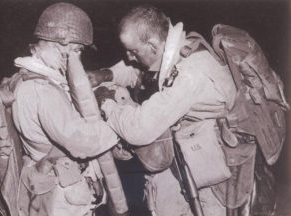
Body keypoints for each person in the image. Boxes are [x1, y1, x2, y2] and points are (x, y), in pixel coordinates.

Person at [89, 4, 260, 216]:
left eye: (133, 51)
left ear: (152, 45)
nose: (128, 57)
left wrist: (106, 102)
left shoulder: (190, 73)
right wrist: (107, 75)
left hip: (218, 167)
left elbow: (138, 129)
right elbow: (140, 72)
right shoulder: (177, 48)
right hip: (197, 147)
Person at [11, 3, 119, 216]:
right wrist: (116, 122)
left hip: (56, 189)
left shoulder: (31, 80)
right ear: (63, 46)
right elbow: (80, 142)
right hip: (61, 198)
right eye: (77, 51)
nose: (78, 57)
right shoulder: (41, 89)